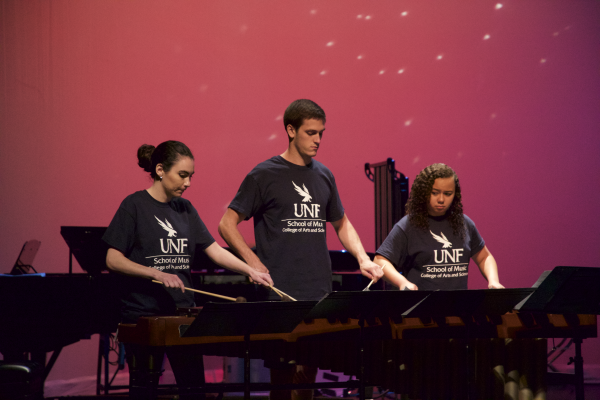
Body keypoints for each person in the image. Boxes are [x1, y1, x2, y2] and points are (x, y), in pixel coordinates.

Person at [218, 99, 384, 400]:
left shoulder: (324, 175)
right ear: (290, 130)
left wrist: (363, 258)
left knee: (308, 378)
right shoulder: (264, 174)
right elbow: (227, 224)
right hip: (279, 293)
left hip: (318, 291)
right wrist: (253, 262)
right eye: (311, 133)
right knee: (282, 381)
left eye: (321, 133)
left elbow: (342, 223)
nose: (318, 140)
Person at [102, 140, 273, 399]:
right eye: (182, 175)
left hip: (182, 313)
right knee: (144, 392)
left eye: (191, 176)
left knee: (194, 391)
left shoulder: (185, 209)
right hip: (143, 315)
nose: (188, 183)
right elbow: (112, 259)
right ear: (160, 170)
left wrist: (250, 270)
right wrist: (157, 273)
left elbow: (214, 251)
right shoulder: (134, 205)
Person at [375, 163, 504, 290]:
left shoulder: (464, 223)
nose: (441, 199)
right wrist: (402, 282)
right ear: (424, 192)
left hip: (458, 309)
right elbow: (380, 261)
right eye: (435, 193)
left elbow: (484, 257)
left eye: (448, 194)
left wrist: (494, 281)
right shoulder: (408, 225)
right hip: (421, 308)